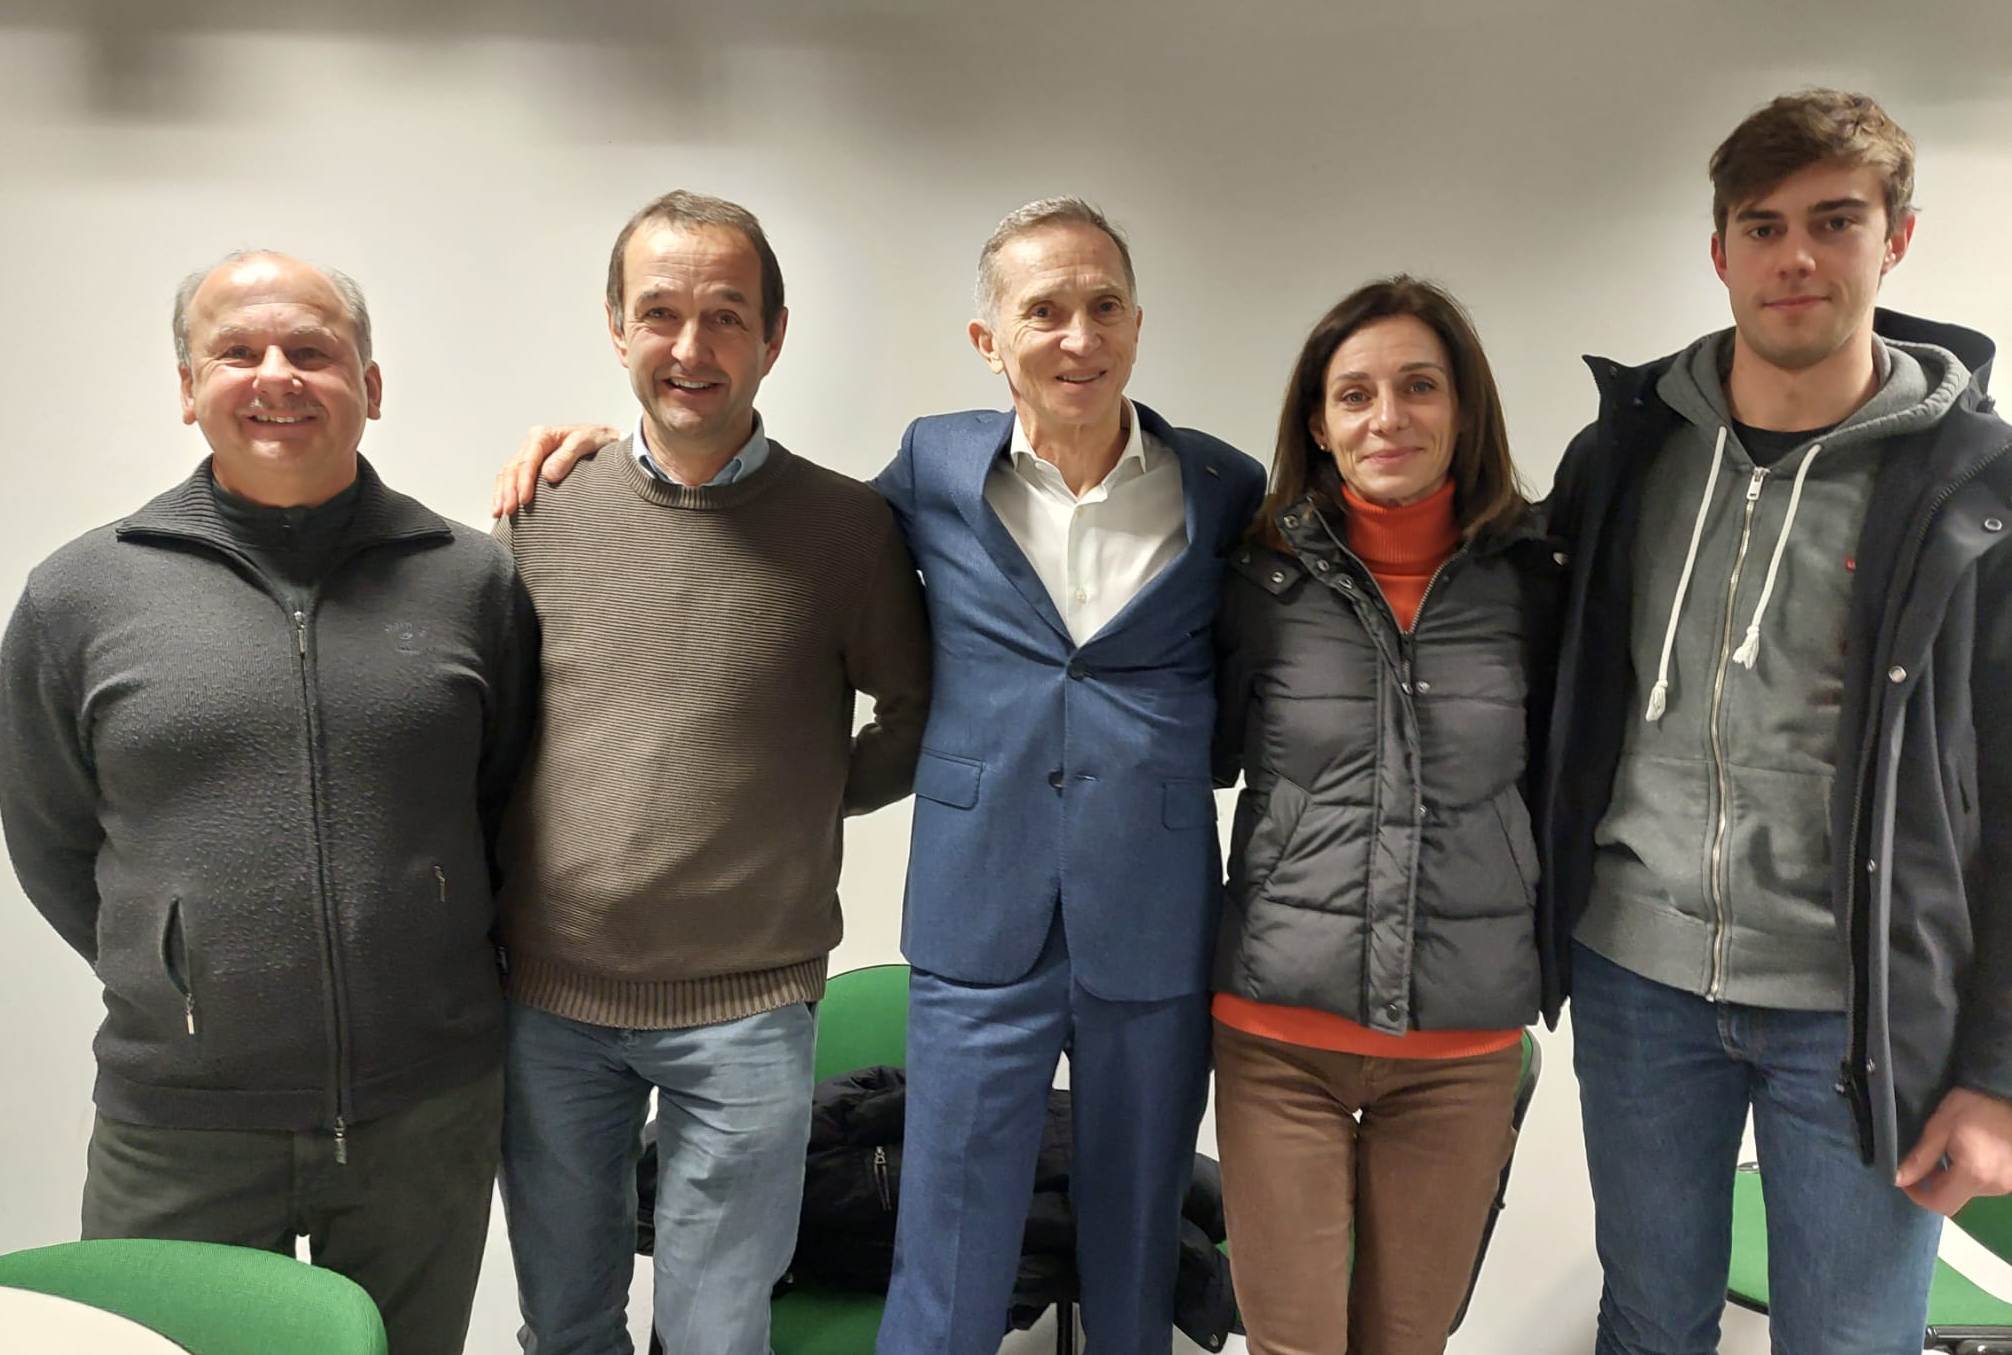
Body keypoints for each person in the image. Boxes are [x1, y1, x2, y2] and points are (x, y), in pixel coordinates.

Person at [489, 196, 1266, 1355]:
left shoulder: (1221, 485)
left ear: (1137, 323)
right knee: (944, 1245)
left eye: (1103, 305)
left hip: (1152, 909)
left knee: (1139, 1236)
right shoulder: (929, 470)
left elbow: (1245, 678)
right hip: (977, 906)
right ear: (988, 339)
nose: (1077, 335)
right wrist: (586, 446)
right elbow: (731, 501)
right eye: (1042, 309)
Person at [1542, 89, 2012, 1354]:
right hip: (1635, 980)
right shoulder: (1623, 458)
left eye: (1833, 220)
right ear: (1719, 253)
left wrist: (1994, 1071)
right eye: (1761, 226)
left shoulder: (1975, 491)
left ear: (1894, 240)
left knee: (1849, 1341)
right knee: (1647, 1323)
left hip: (1858, 1008)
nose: (1794, 256)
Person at [0, 250, 537, 1355]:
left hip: (424, 1109)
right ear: (188, 387)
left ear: (370, 384)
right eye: (236, 351)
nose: (276, 375)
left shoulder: (472, 582)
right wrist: (176, 963)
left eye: (311, 350)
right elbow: (50, 833)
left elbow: (509, 808)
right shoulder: (79, 595)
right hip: (178, 1118)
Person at [491, 189, 931, 1355]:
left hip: (746, 1008)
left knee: (717, 1333)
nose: (690, 347)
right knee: (565, 1324)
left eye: (726, 316)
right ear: (615, 326)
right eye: (660, 313)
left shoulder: (847, 530)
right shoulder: (541, 506)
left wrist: (794, 794)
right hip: (549, 999)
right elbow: (486, 726)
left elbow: (914, 711)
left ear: (772, 338)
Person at [1210, 276, 1560, 1355]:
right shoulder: (1257, 581)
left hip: (1462, 1044)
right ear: (1318, 424)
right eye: (1354, 394)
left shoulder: (1537, 580)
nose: (1387, 417)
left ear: (1463, 408)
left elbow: (1568, 773)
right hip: (1279, 1037)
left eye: (1419, 386)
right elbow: (1199, 750)